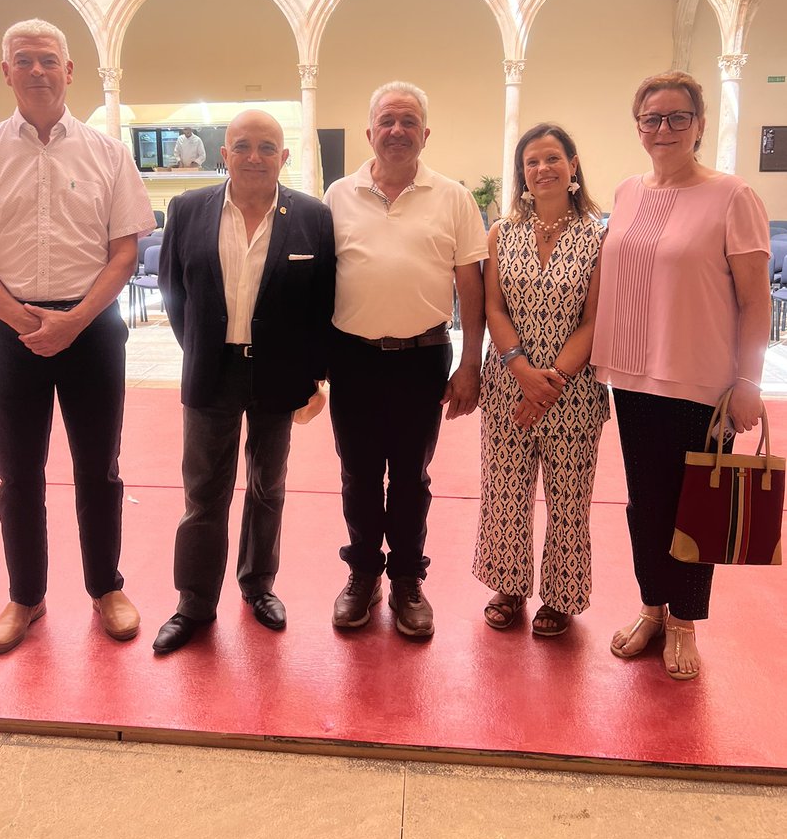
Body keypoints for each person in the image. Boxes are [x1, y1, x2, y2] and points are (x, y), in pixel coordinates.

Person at [0, 18, 156, 654]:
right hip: (10, 330)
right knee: (18, 472)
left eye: (47, 59)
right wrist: (28, 321)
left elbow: (124, 253)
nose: (36, 70)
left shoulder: (107, 153)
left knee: (99, 468)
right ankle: (26, 596)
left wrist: (76, 319)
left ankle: (106, 586)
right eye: (23, 60)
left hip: (92, 329)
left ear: (70, 69)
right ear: (6, 71)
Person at [592, 71, 770, 680]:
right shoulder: (626, 192)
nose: (663, 129)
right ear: (637, 126)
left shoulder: (733, 195)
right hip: (634, 379)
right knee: (646, 506)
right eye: (651, 118)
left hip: (705, 386)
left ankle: (684, 621)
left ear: (698, 124)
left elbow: (755, 299)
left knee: (697, 510)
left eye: (677, 118)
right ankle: (650, 607)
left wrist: (750, 380)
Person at [153, 110, 335, 653]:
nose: (254, 156)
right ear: (223, 154)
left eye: (266, 147)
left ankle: (258, 586)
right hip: (212, 369)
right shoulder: (187, 210)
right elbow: (173, 292)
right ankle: (194, 603)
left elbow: (321, 304)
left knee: (267, 485)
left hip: (279, 373)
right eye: (242, 146)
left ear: (284, 157)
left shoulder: (312, 217)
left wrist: (313, 376)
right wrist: (204, 351)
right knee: (203, 492)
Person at [324, 81, 487, 639]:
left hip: (424, 358)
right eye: (387, 121)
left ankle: (407, 581)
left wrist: (470, 365)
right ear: (370, 132)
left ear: (425, 134)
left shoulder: (453, 197)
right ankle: (364, 573)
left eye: (408, 121)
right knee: (359, 474)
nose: (397, 130)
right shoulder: (337, 194)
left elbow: (471, 282)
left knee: (412, 478)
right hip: (352, 358)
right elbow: (323, 280)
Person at [473, 124, 609, 637]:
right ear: (521, 172)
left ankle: (562, 594)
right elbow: (493, 305)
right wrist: (521, 370)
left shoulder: (597, 235)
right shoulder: (502, 232)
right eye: (531, 161)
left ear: (573, 165)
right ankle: (507, 586)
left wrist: (549, 383)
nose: (542, 169)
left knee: (569, 496)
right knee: (504, 491)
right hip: (509, 382)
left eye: (553, 158)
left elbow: (595, 320)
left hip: (573, 391)